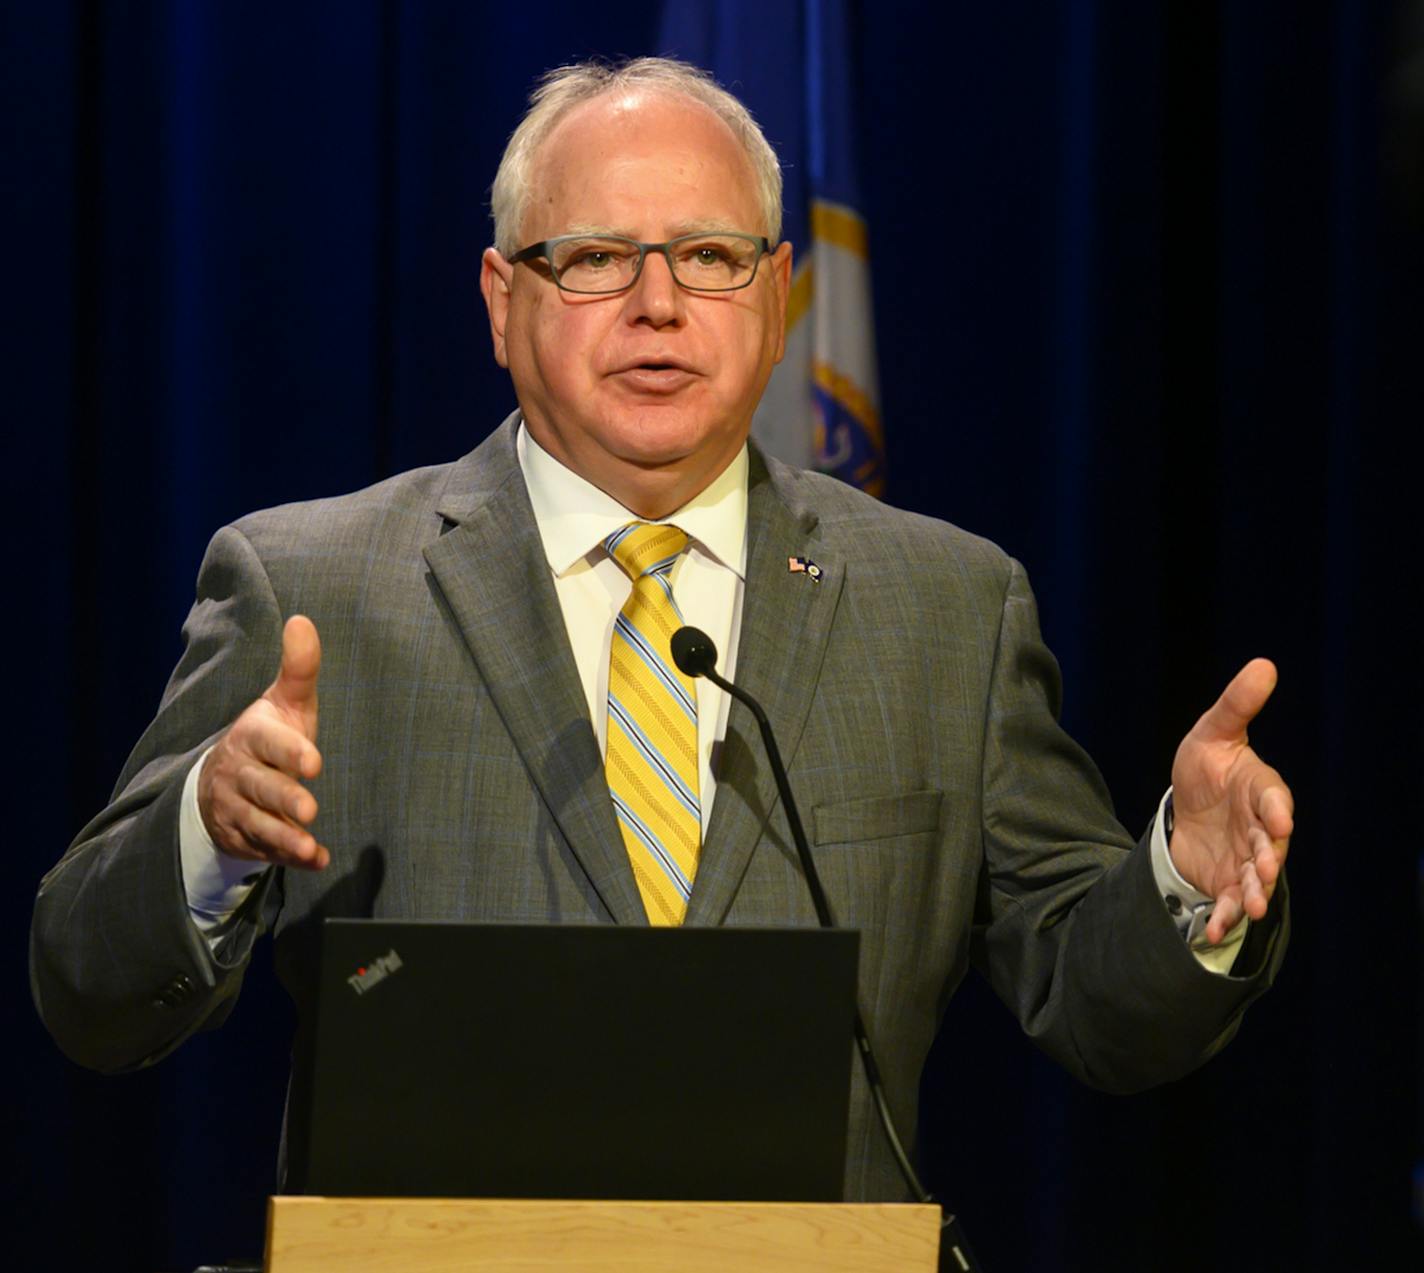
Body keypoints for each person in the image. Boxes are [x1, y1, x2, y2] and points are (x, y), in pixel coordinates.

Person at [31, 57, 1292, 1203]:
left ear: (778, 292)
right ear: (499, 300)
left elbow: (1096, 1005)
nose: (656, 303)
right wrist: (207, 825)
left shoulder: (946, 606)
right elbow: (87, 989)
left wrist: (1184, 870)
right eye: (591, 257)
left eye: (708, 256)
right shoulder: (315, 585)